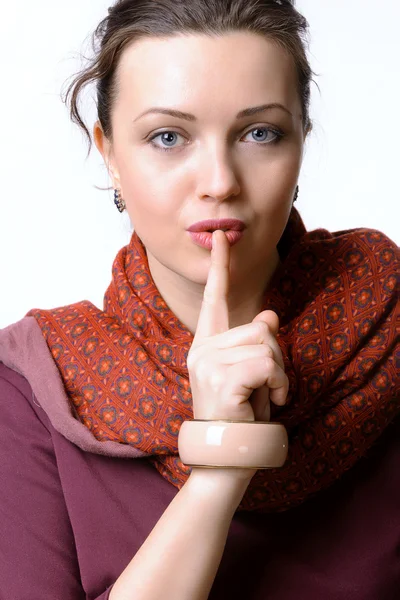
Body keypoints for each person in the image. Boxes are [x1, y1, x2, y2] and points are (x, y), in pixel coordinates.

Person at [0, 1, 399, 598]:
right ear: (108, 152)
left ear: (302, 142)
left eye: (260, 132)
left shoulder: (387, 327)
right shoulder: (33, 385)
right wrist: (219, 465)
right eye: (168, 137)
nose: (219, 180)